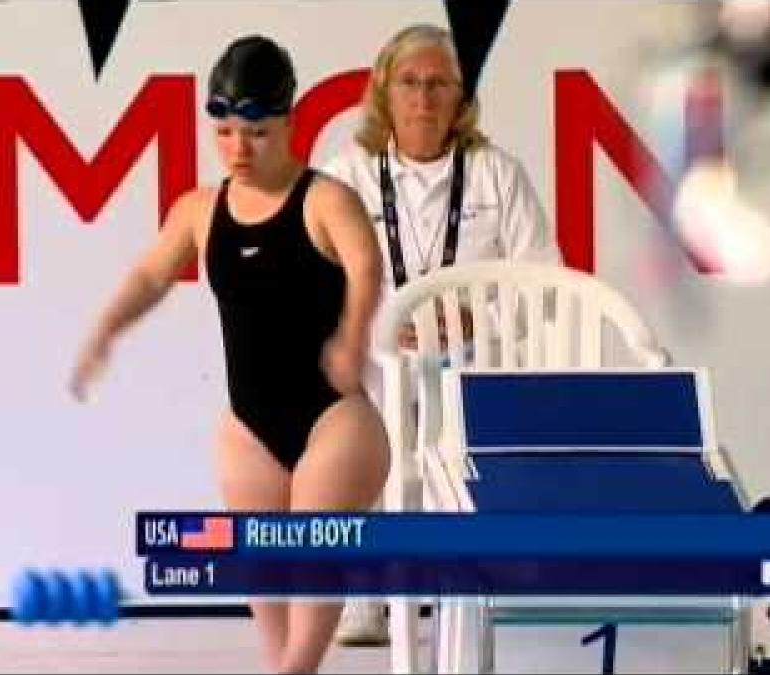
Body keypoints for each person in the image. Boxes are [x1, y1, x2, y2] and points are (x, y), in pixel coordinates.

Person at [68, 35, 389, 673]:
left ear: (289, 124)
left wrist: (353, 336)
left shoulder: (325, 199)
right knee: (264, 571)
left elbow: (365, 263)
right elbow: (151, 276)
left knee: (309, 551)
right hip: (249, 423)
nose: (239, 148)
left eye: (258, 132)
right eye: (225, 131)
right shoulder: (199, 210)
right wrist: (106, 326)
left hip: (336, 418)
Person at [321, 23, 562, 646]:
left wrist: (477, 319)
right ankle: (362, 595)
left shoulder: (496, 174)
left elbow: (544, 279)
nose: (423, 98)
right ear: (384, 92)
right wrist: (374, 324)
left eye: (438, 84)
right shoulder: (344, 174)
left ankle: (472, 589)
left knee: (469, 432)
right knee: (349, 416)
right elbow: (311, 280)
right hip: (376, 363)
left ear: (462, 96)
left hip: (472, 362)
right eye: (409, 83)